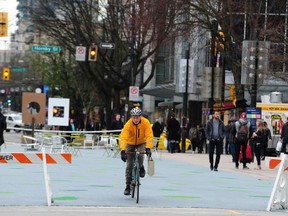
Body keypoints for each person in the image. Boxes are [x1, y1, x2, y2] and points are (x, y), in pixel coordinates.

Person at [119, 107, 153, 196]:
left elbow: (149, 135)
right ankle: (127, 185)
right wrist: (123, 150)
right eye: (133, 117)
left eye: (137, 117)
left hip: (141, 142)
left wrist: (148, 148)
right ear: (131, 117)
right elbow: (123, 138)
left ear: (140, 117)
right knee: (129, 165)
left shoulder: (145, 122)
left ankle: (141, 167)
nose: (135, 119)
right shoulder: (128, 124)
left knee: (140, 154)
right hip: (130, 143)